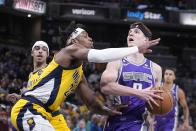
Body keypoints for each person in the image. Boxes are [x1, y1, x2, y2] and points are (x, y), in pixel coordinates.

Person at [10, 21, 160, 131]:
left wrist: (109, 111)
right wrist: (136, 49)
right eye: (86, 36)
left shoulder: (78, 73)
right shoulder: (69, 50)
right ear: (75, 40)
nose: (90, 39)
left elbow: (92, 104)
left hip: (51, 114)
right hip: (30, 108)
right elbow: (101, 56)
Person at [100, 22, 163, 131]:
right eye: (129, 32)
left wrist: (151, 118)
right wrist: (139, 93)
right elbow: (105, 86)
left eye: (136, 32)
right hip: (115, 120)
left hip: (138, 122)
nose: (131, 34)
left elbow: (157, 102)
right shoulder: (116, 61)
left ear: (146, 40)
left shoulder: (156, 69)